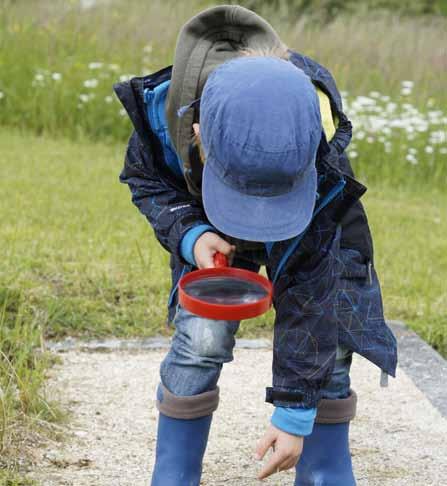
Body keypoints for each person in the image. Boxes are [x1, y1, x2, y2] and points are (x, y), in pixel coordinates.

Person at [114, 5, 397, 485]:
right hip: (211, 223)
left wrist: (293, 416)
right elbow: (145, 181)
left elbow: (311, 296)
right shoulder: (164, 118)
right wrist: (191, 234)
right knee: (200, 336)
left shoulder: (311, 139)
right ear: (197, 133)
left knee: (335, 326)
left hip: (307, 215)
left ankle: (324, 468)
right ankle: (174, 470)